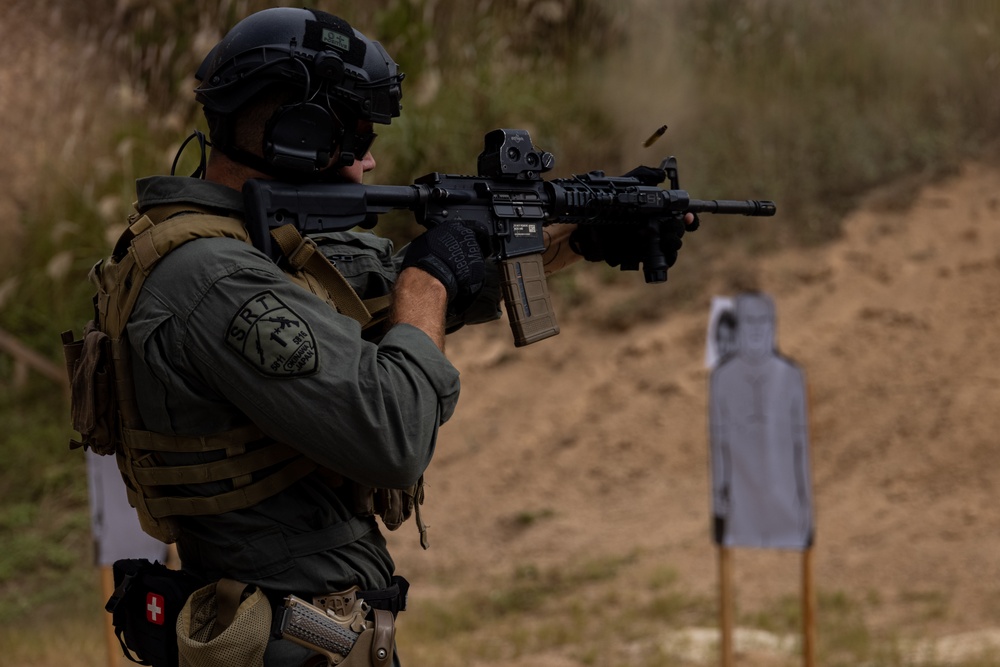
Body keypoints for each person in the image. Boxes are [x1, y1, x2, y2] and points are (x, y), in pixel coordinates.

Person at [80, 7, 690, 666]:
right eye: (360, 134)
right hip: (290, 641)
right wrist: (429, 281)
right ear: (299, 137)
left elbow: (386, 285)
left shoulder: (243, 254)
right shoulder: (212, 278)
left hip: (307, 633)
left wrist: (582, 233)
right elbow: (394, 433)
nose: (371, 158)